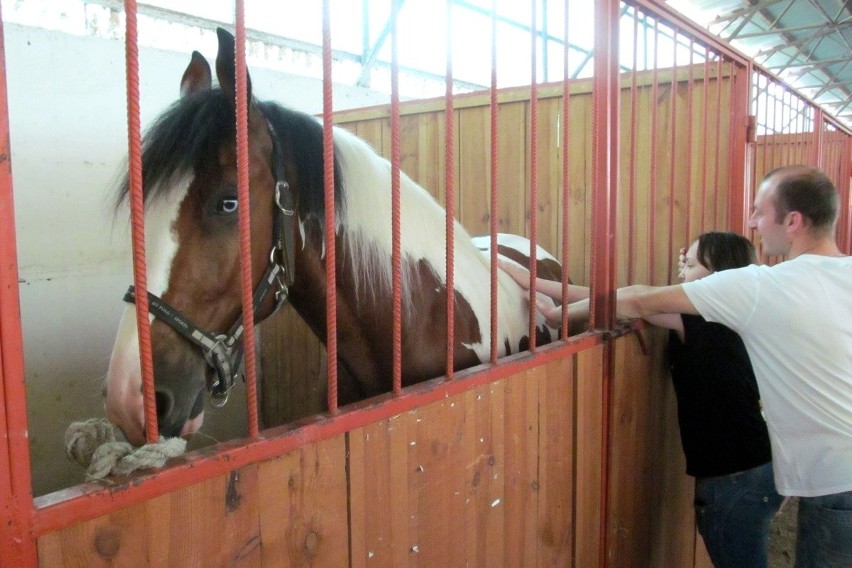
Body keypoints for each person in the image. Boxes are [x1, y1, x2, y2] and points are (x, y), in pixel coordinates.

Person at [612, 166, 851, 567]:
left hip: (836, 478)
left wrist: (556, 307)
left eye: (760, 211)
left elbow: (640, 301)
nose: (752, 222)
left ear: (793, 221)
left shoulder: (762, 285)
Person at [502, 233, 784, 567]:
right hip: (754, 467)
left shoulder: (705, 317)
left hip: (735, 477)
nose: (680, 273)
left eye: (691, 265)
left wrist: (555, 311)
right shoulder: (733, 314)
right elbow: (616, 297)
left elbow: (634, 298)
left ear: (719, 275)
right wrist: (552, 295)